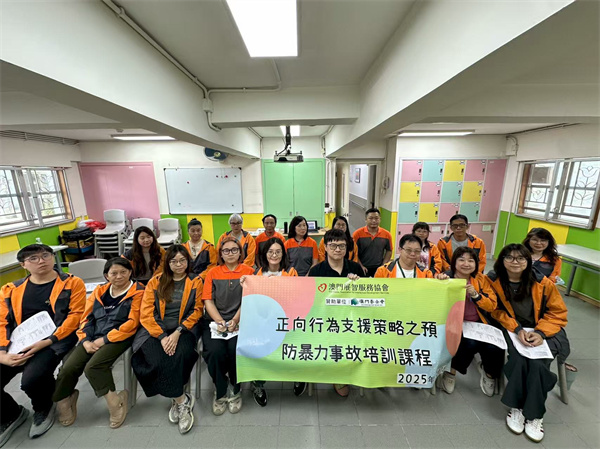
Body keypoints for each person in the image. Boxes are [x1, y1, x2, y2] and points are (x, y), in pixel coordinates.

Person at [0, 244, 86, 445]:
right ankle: (11, 414)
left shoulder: (71, 283)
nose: (41, 261)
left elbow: (75, 316)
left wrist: (47, 341)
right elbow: (2, 322)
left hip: (55, 340)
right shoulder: (10, 290)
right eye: (33, 258)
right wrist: (2, 352)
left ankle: (43, 408)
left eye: (46, 255)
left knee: (32, 379)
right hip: (17, 343)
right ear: (23, 265)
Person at [487, 244, 569, 443]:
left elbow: (558, 312)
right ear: (502, 260)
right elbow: (494, 310)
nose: (515, 262)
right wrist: (517, 329)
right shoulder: (494, 280)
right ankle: (517, 407)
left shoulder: (542, 282)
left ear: (528, 261)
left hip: (545, 330)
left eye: (521, 258)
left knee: (538, 364)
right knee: (519, 359)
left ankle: (534, 414)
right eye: (509, 257)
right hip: (512, 329)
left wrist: (540, 332)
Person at [53, 258, 144, 429]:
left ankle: (115, 402)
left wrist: (105, 340)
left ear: (130, 273)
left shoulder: (139, 291)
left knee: (93, 367)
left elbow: (132, 323)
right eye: (114, 273)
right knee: (68, 368)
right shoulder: (99, 291)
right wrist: (85, 340)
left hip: (120, 337)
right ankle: (64, 400)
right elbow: (86, 318)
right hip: (92, 336)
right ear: (106, 276)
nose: (119, 276)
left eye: (123, 272)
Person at [131, 245, 203, 434]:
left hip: (184, 329)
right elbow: (146, 313)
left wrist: (178, 332)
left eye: (182, 260)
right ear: (167, 263)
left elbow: (197, 310)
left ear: (188, 261)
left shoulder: (195, 281)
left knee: (179, 355)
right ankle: (182, 400)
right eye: (174, 261)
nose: (178, 264)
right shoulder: (155, 282)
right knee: (153, 360)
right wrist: (162, 336)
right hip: (155, 330)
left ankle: (176, 397)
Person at [297, 229, 362, 397]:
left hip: (349, 319)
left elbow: (363, 300)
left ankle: (341, 374)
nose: (337, 249)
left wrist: (357, 285)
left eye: (342, 246)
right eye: (333, 245)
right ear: (325, 247)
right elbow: (308, 300)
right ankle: (333, 373)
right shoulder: (316, 271)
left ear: (347, 247)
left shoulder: (355, 268)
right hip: (324, 320)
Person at [437, 247, 504, 397]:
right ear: (454, 263)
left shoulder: (481, 280)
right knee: (469, 343)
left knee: (494, 346)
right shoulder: (446, 278)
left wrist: (476, 295)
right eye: (461, 260)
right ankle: (451, 372)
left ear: (476, 264)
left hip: (479, 323)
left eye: (470, 260)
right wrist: (440, 282)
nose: (466, 264)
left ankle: (489, 374)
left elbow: (492, 305)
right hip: (454, 323)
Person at [240, 237, 297, 406]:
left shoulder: (291, 272)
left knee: (297, 342)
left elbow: (296, 296)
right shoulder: (256, 274)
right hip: (262, 322)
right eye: (270, 252)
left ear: (283, 254)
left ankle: (298, 376)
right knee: (256, 344)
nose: (274, 255)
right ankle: (258, 383)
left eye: (278, 252)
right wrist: (244, 284)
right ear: (265, 254)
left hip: (286, 320)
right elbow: (252, 301)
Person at [202, 237, 254, 416]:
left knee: (236, 350)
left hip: (242, 320)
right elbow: (208, 300)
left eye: (234, 250)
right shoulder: (212, 273)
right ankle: (220, 388)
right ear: (221, 254)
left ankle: (236, 388)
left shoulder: (249, 272)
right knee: (214, 352)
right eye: (226, 250)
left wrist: (236, 319)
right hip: (215, 321)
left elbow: (250, 298)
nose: (230, 253)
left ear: (240, 252)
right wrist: (219, 321)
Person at [352, 208, 393, 277]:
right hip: (362, 267)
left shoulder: (387, 234)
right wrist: (360, 266)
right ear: (366, 219)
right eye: (370, 218)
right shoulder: (357, 234)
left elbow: (389, 250)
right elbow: (354, 252)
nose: (374, 221)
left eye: (376, 218)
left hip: (379, 268)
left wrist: (383, 265)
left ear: (380, 219)